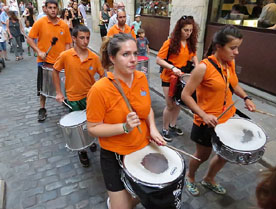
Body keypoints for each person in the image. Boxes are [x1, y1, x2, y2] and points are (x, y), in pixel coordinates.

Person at [86, 33, 166, 209]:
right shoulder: (99, 90)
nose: (133, 59)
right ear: (112, 58)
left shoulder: (141, 78)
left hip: (142, 148)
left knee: (148, 194)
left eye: (135, 54)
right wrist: (124, 127)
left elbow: (147, 110)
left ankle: (125, 198)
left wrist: (152, 128)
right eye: (126, 54)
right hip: (114, 154)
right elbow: (92, 128)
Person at [181, 25, 256, 196]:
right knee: (202, 155)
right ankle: (190, 177)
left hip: (227, 119)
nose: (236, 52)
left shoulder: (230, 63)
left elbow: (233, 84)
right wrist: (204, 114)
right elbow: (185, 95)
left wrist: (246, 97)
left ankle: (209, 179)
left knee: (224, 155)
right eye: (233, 48)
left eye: (238, 47)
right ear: (218, 47)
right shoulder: (203, 68)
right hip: (206, 123)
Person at [53, 25, 105, 167]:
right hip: (73, 97)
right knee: (78, 126)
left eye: (88, 38)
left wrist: (98, 90)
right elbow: (55, 70)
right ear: (74, 39)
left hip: (90, 98)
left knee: (92, 122)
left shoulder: (94, 58)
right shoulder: (66, 55)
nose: (85, 41)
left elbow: (102, 75)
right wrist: (58, 92)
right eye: (82, 38)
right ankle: (82, 150)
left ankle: (91, 140)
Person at [27, 0, 72, 122]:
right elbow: (30, 39)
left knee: (66, 84)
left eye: (55, 8)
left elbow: (68, 43)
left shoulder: (63, 24)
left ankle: (66, 100)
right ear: (46, 9)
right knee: (43, 88)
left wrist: (66, 55)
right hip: (44, 61)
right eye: (50, 8)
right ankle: (42, 109)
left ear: (58, 9)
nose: (53, 10)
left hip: (60, 62)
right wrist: (38, 51)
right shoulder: (40, 23)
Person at [156, 15, 199, 142]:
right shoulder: (169, 43)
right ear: (179, 29)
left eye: (191, 30)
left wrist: (197, 65)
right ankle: (165, 129)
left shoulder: (190, 43)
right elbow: (158, 60)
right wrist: (172, 67)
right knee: (170, 105)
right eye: (186, 30)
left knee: (178, 104)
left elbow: (194, 56)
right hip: (168, 78)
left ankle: (173, 125)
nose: (188, 33)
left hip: (182, 77)